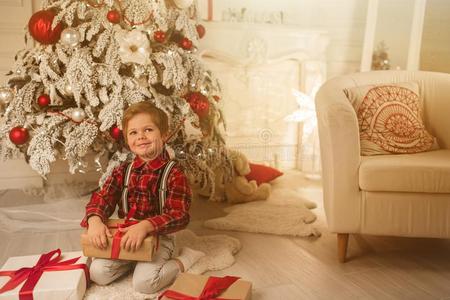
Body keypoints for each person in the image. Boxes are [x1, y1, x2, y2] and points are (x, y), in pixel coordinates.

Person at [80, 101, 205, 294]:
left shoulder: (174, 173)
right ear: (127, 140)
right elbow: (102, 197)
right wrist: (95, 220)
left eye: (148, 130)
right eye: (133, 133)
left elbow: (179, 214)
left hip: (159, 236)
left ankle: (185, 259)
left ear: (163, 135)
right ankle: (133, 260)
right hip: (126, 234)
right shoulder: (123, 170)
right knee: (97, 273)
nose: (141, 137)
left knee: (145, 284)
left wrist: (146, 226)